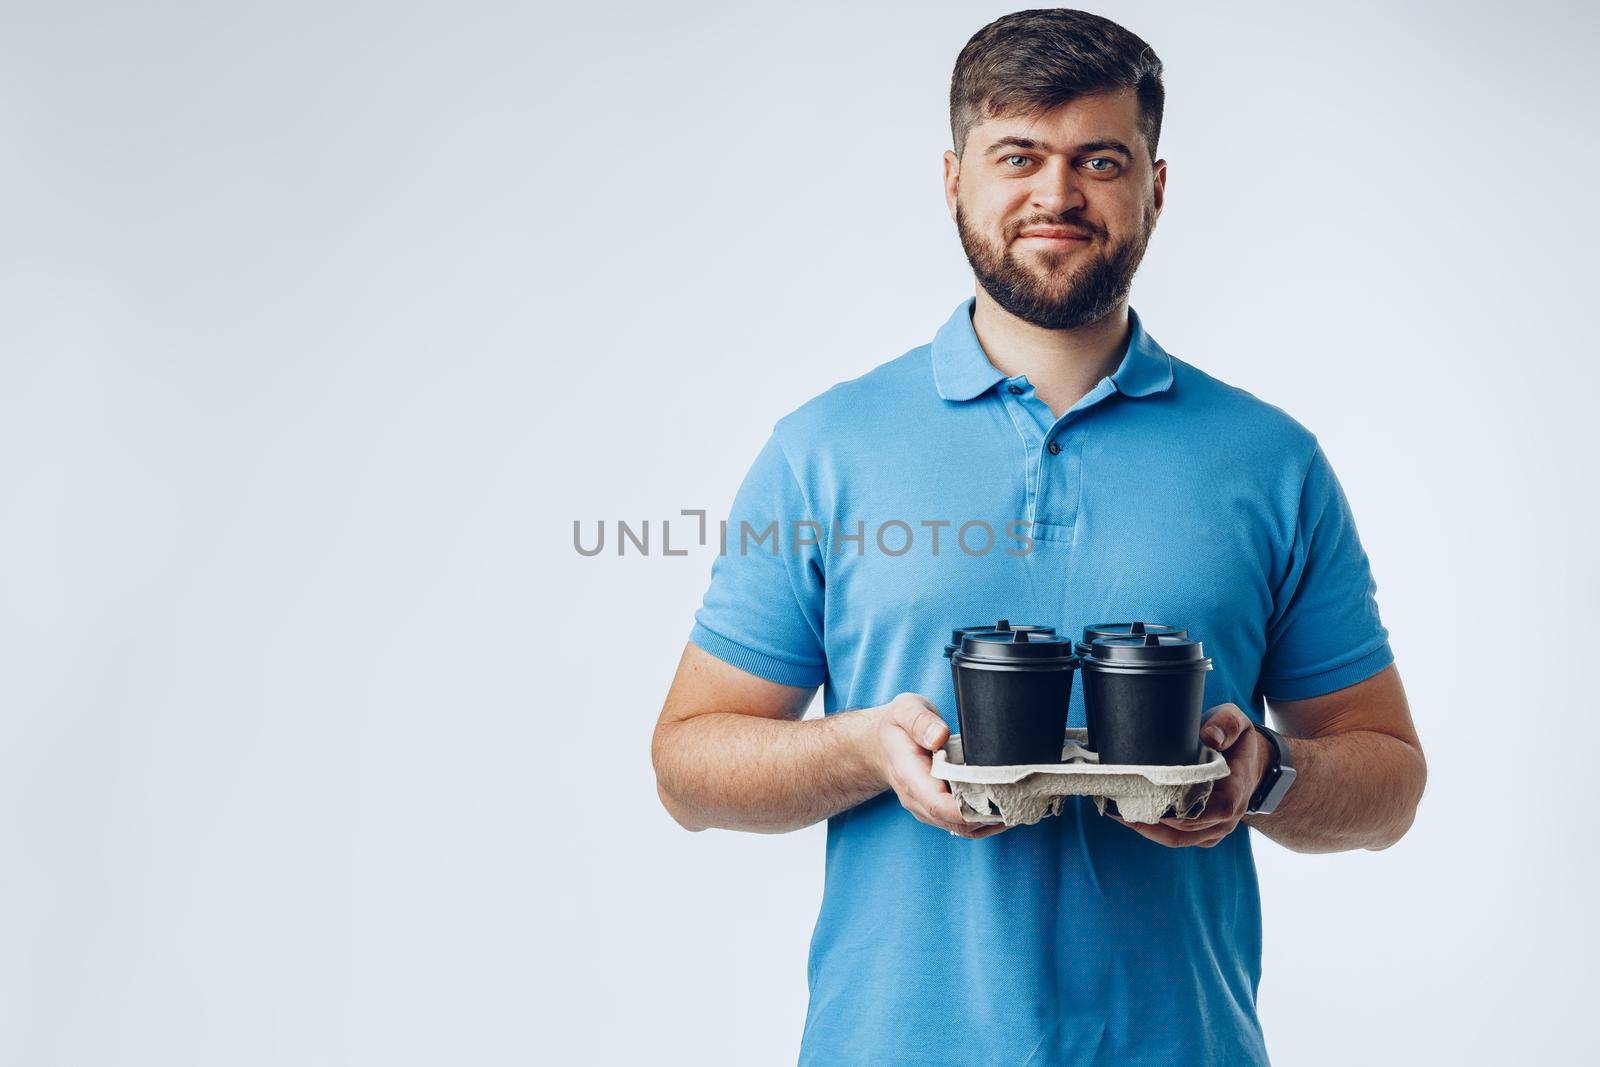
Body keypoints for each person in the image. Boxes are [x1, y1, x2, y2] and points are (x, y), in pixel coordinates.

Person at [650, 9, 1427, 1065]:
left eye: (1098, 159)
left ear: (1155, 184)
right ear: (952, 177)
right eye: (1017, 155)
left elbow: (1388, 780)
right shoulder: (824, 449)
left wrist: (1269, 772)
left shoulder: (1268, 461)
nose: (1056, 195)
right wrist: (860, 746)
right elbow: (688, 765)